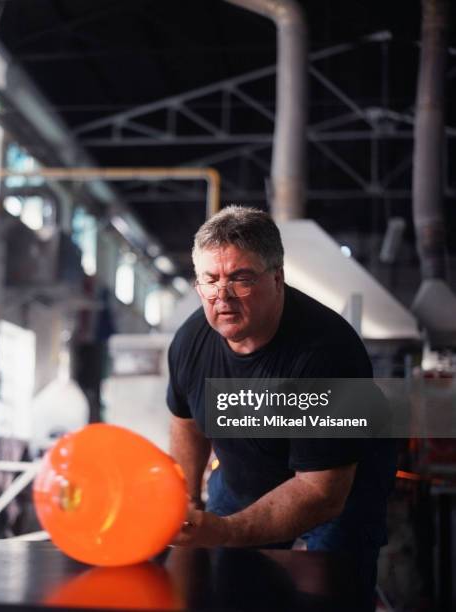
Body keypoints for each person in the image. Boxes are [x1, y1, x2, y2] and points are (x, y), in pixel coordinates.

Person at [167, 206, 396, 611]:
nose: (222, 295)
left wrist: (224, 531)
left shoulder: (329, 353)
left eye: (240, 278)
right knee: (225, 591)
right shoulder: (190, 343)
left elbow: (320, 493)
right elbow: (186, 421)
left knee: (330, 593)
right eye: (210, 279)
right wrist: (188, 499)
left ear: (277, 278)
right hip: (245, 476)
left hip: (338, 488)